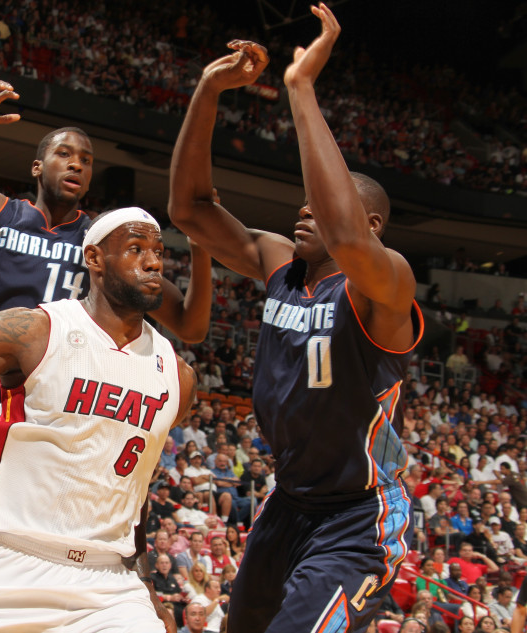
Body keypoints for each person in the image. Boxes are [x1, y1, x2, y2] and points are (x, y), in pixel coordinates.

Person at [0, 78, 212, 632]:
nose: (76, 164)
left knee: (57, 549)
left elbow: (191, 324)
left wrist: (199, 238)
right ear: (37, 166)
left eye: (86, 158)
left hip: (60, 403)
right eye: (63, 153)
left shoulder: (104, 245)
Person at [168, 12, 421, 632]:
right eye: (302, 200)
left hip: (355, 516)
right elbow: (189, 209)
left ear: (373, 228)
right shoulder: (278, 262)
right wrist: (207, 89)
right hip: (290, 502)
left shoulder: (384, 288)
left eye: (323, 201)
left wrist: (301, 90)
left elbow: (345, 234)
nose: (305, 207)